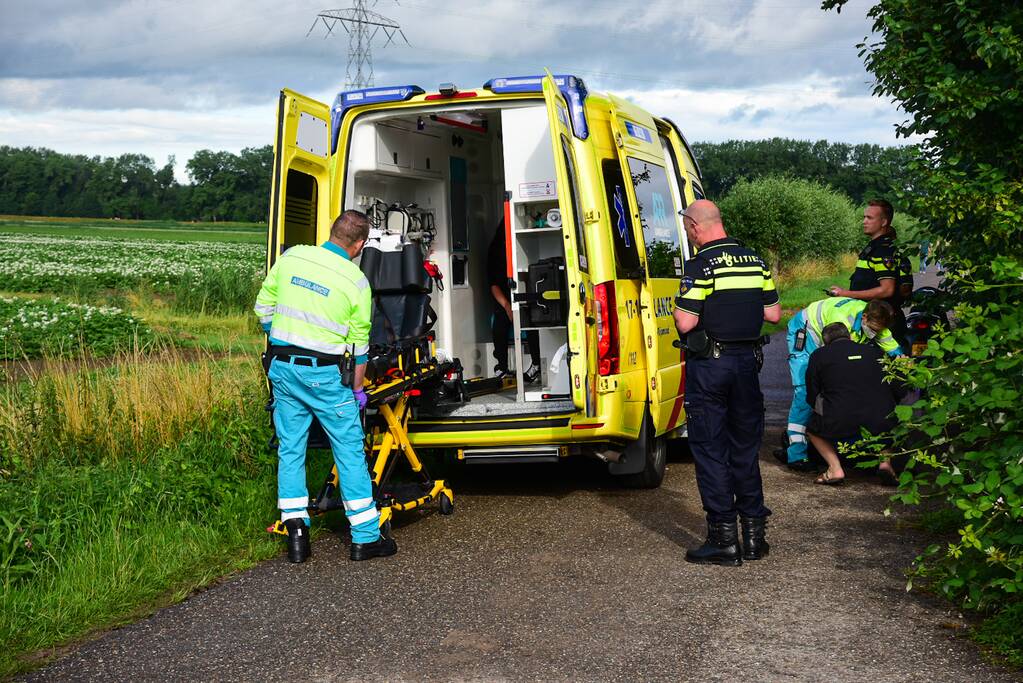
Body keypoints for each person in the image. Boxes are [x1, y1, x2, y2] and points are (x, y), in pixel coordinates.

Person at [254, 210, 397, 563]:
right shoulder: (356, 282)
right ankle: (365, 537)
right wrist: (357, 391)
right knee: (348, 449)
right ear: (360, 244)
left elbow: (263, 309)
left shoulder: (292, 257)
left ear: (332, 232)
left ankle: (296, 534)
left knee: (291, 447)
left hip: (283, 370)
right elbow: (359, 346)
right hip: (326, 376)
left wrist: (283, 339)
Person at [673, 199, 781, 566]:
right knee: (744, 449)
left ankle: (723, 539)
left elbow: (686, 323)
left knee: (710, 448)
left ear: (695, 226)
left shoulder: (700, 265)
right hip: (747, 365)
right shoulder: (755, 261)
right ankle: (754, 538)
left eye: (688, 229)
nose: (689, 234)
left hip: (711, 367)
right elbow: (773, 313)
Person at [782, 297, 901, 471]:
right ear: (865, 318)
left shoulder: (877, 319)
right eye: (874, 330)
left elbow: (894, 350)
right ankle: (797, 453)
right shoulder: (840, 319)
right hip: (808, 333)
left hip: (830, 336)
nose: (875, 334)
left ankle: (834, 442)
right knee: (804, 390)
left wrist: (903, 360)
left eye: (879, 331)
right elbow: (833, 353)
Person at [805, 323, 906, 485]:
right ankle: (885, 462)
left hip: (839, 417)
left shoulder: (819, 355)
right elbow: (898, 388)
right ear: (850, 336)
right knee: (889, 422)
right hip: (880, 417)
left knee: (812, 429)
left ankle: (834, 468)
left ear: (825, 342)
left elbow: (812, 393)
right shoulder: (875, 351)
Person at [826, 199, 908, 352]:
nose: (864, 221)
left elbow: (886, 290)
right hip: (874, 318)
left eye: (869, 218)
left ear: (884, 222)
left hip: (880, 321)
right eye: (864, 217)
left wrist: (846, 293)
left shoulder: (883, 251)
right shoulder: (875, 247)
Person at [487, 219, 540, 382]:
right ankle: (502, 367)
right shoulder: (495, 251)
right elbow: (493, 285)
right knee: (499, 323)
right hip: (504, 298)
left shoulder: (527, 244)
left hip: (527, 294)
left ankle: (536, 365)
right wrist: (507, 306)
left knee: (532, 319)